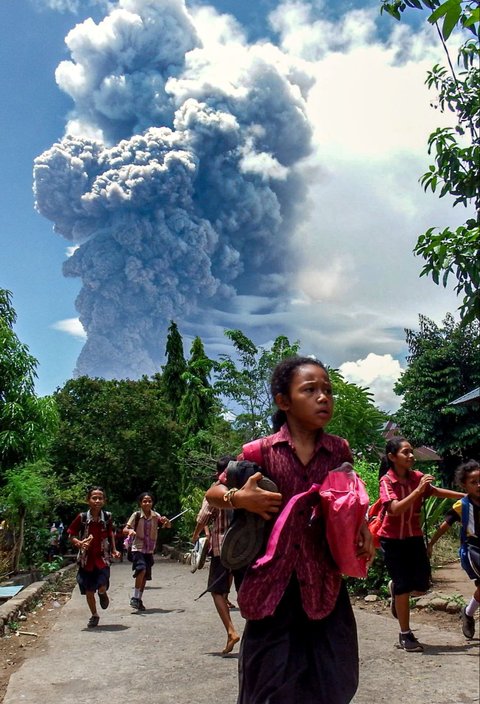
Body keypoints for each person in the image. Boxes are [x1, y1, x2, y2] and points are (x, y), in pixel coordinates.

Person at [206, 356, 375, 704]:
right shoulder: (260, 452)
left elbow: (349, 499)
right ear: (284, 401)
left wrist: (363, 527)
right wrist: (241, 498)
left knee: (334, 679)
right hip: (272, 586)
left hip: (323, 582)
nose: (323, 397)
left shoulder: (338, 450)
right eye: (310, 390)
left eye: (328, 390)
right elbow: (214, 494)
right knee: (269, 685)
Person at [377, 437, 465, 652]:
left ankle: (396, 592)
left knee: (422, 585)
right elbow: (394, 509)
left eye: (411, 452)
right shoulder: (386, 482)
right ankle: (405, 634)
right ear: (392, 457)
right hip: (392, 539)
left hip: (414, 537)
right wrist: (418, 490)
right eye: (405, 452)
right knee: (403, 586)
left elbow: (434, 491)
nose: (411, 456)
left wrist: (467, 496)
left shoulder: (417, 477)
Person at [192, 455, 242, 656]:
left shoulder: (216, 489)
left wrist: (196, 534)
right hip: (245, 547)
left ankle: (231, 631)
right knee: (244, 587)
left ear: (218, 472)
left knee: (216, 590)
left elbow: (203, 517)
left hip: (222, 547)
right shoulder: (244, 485)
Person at [427, 459, 480, 639]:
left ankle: (468, 613)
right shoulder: (462, 506)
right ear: (464, 485)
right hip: (473, 550)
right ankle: (468, 613)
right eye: (473, 482)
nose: (479, 485)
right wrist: (431, 543)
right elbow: (444, 526)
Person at [67, 486, 120, 628]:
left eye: (100, 498)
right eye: (94, 498)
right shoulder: (82, 518)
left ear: (104, 500)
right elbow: (71, 534)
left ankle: (103, 593)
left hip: (102, 558)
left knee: (102, 583)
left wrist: (114, 549)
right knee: (89, 590)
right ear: (88, 500)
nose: (97, 501)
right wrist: (79, 543)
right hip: (86, 560)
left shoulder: (107, 517)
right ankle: (94, 615)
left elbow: (110, 534)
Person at [123, 492, 171, 611]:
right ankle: (134, 597)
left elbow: (168, 525)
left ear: (152, 502)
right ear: (140, 503)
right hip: (138, 547)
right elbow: (125, 529)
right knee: (141, 569)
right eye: (144, 501)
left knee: (145, 575)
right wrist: (130, 532)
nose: (147, 503)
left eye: (149, 501)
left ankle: (139, 599)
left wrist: (166, 521)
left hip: (149, 549)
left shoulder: (156, 516)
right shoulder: (136, 515)